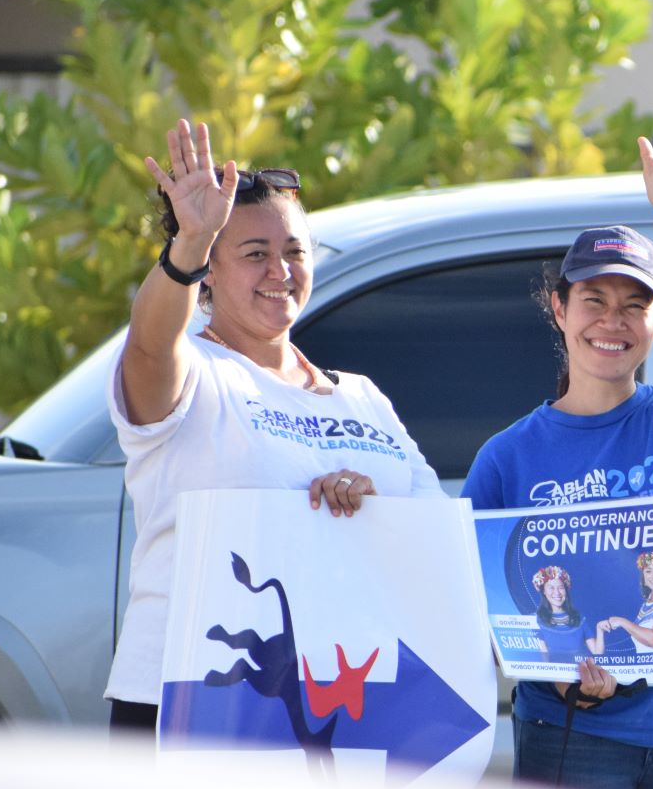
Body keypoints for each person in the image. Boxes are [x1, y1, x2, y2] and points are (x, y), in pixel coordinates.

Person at [104, 119, 444, 731]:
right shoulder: (197, 372)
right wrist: (189, 244)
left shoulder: (363, 398)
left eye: (293, 252)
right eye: (255, 254)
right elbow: (150, 349)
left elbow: (429, 536)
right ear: (209, 270)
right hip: (188, 699)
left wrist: (370, 505)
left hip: (333, 703)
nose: (280, 272)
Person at [462, 103, 653, 789]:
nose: (611, 322)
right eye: (593, 300)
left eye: (634, 305)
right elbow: (482, 606)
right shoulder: (507, 457)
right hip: (572, 735)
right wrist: (561, 683)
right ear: (558, 310)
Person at [588, 550, 653, 654]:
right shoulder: (647, 604)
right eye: (648, 571)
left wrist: (623, 622)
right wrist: (600, 629)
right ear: (644, 577)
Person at [532, 565, 591, 664]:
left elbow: (596, 652)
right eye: (551, 588)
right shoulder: (535, 620)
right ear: (544, 592)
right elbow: (543, 657)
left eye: (561, 588)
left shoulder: (579, 618)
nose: (557, 593)